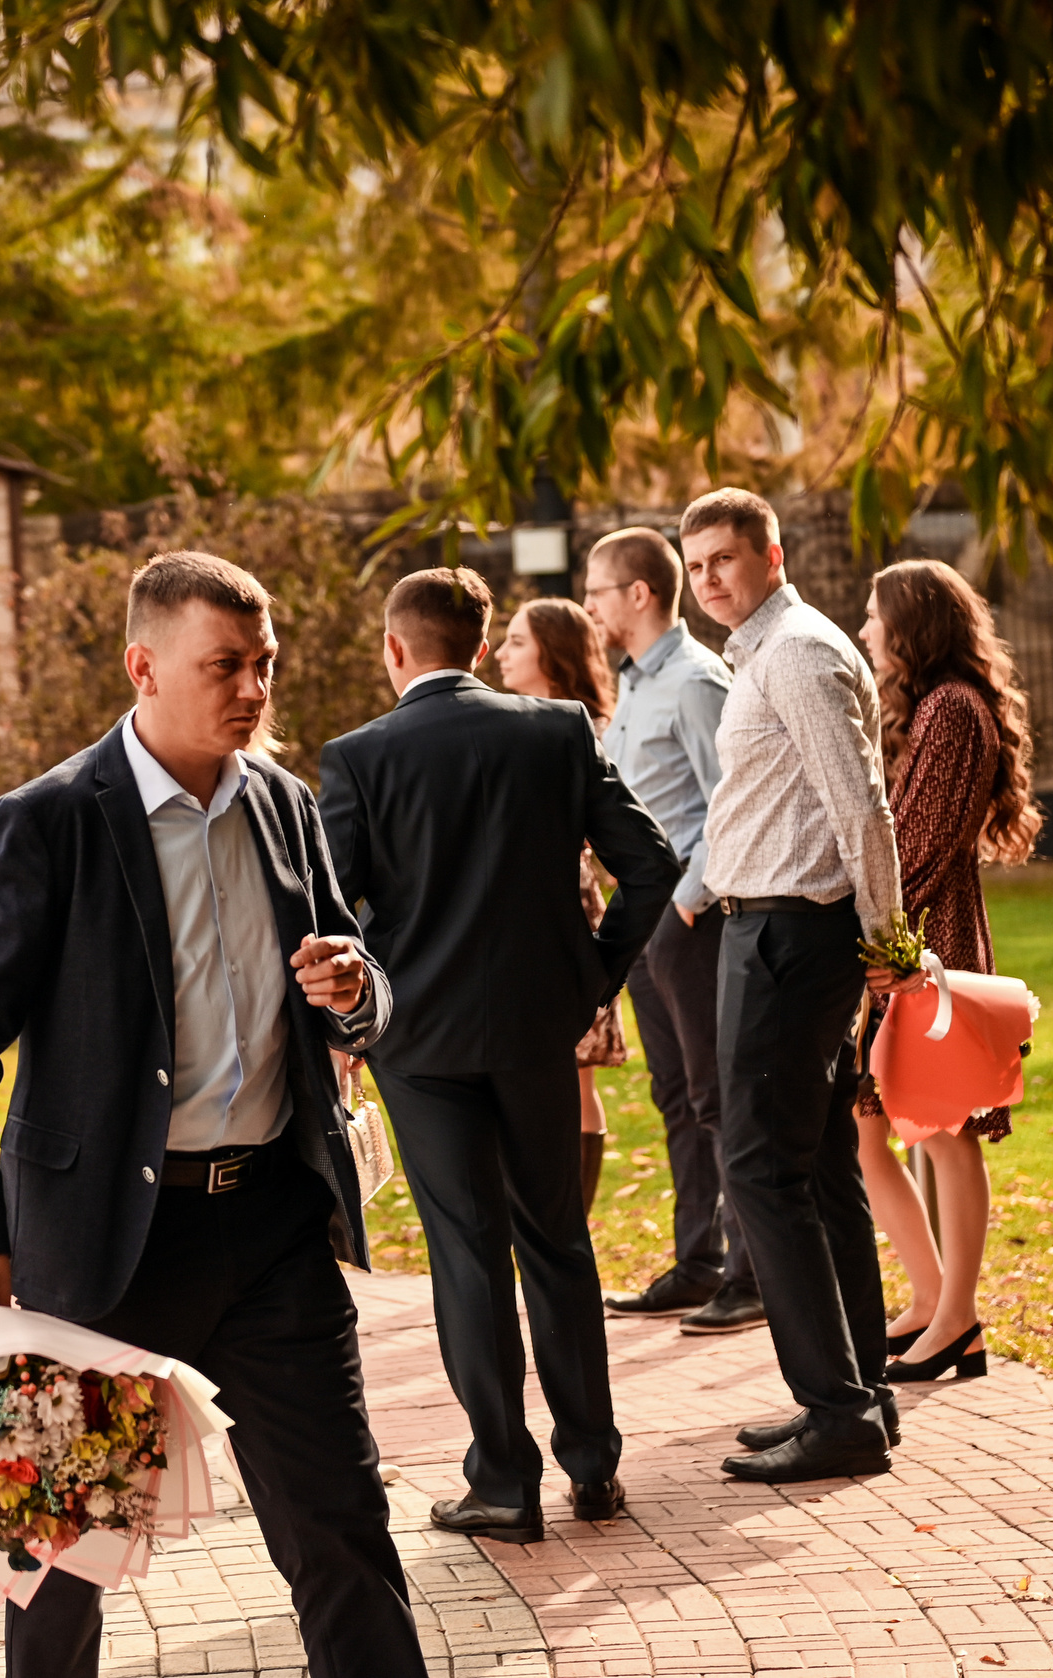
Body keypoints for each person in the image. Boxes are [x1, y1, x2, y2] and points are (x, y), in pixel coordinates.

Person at [0, 551, 425, 1678]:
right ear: (143, 666)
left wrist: (357, 988)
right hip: (98, 1242)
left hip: (272, 1230)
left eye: (264, 665)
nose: (252, 689)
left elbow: (358, 975)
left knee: (341, 1529)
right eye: (224, 665)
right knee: (58, 1565)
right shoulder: (47, 821)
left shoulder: (286, 805)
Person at [320, 569, 678, 1545]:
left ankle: (502, 1481)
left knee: (468, 1254)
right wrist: (590, 982)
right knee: (558, 1242)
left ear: (396, 649)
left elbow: (322, 913)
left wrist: (350, 1019)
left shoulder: (357, 759)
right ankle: (595, 1466)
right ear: (478, 645)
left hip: (420, 1040)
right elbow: (650, 865)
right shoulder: (556, 732)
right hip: (534, 1027)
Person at [684, 486, 907, 1484]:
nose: (708, 580)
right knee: (817, 1169)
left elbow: (860, 806)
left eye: (724, 558)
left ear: (772, 553)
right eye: (695, 566)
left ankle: (838, 1410)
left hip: (789, 940)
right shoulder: (759, 656)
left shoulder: (801, 652)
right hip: (770, 934)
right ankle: (858, 1393)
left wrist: (889, 946)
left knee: (758, 1171)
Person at [852, 559, 1044, 1383]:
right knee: (872, 1128)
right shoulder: (931, 708)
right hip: (906, 944)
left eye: (873, 616)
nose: (864, 631)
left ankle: (958, 1316)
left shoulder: (954, 710)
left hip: (927, 948)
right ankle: (934, 1299)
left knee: (944, 1131)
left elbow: (921, 844)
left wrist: (887, 951)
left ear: (913, 625)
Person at [578, 528, 758, 1333]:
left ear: (638, 595)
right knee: (676, 1098)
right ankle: (699, 1262)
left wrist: (686, 903)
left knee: (715, 1098)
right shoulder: (634, 686)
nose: (589, 608)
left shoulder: (694, 682)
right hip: (648, 923)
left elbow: (735, 802)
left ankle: (750, 1276)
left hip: (692, 919)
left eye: (597, 593)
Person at [493, 599, 631, 1210]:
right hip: (518, 912)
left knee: (576, 1078)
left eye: (517, 642)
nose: (501, 652)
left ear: (552, 650)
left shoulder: (588, 728)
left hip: (567, 906)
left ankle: (568, 1228)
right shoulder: (510, 724)